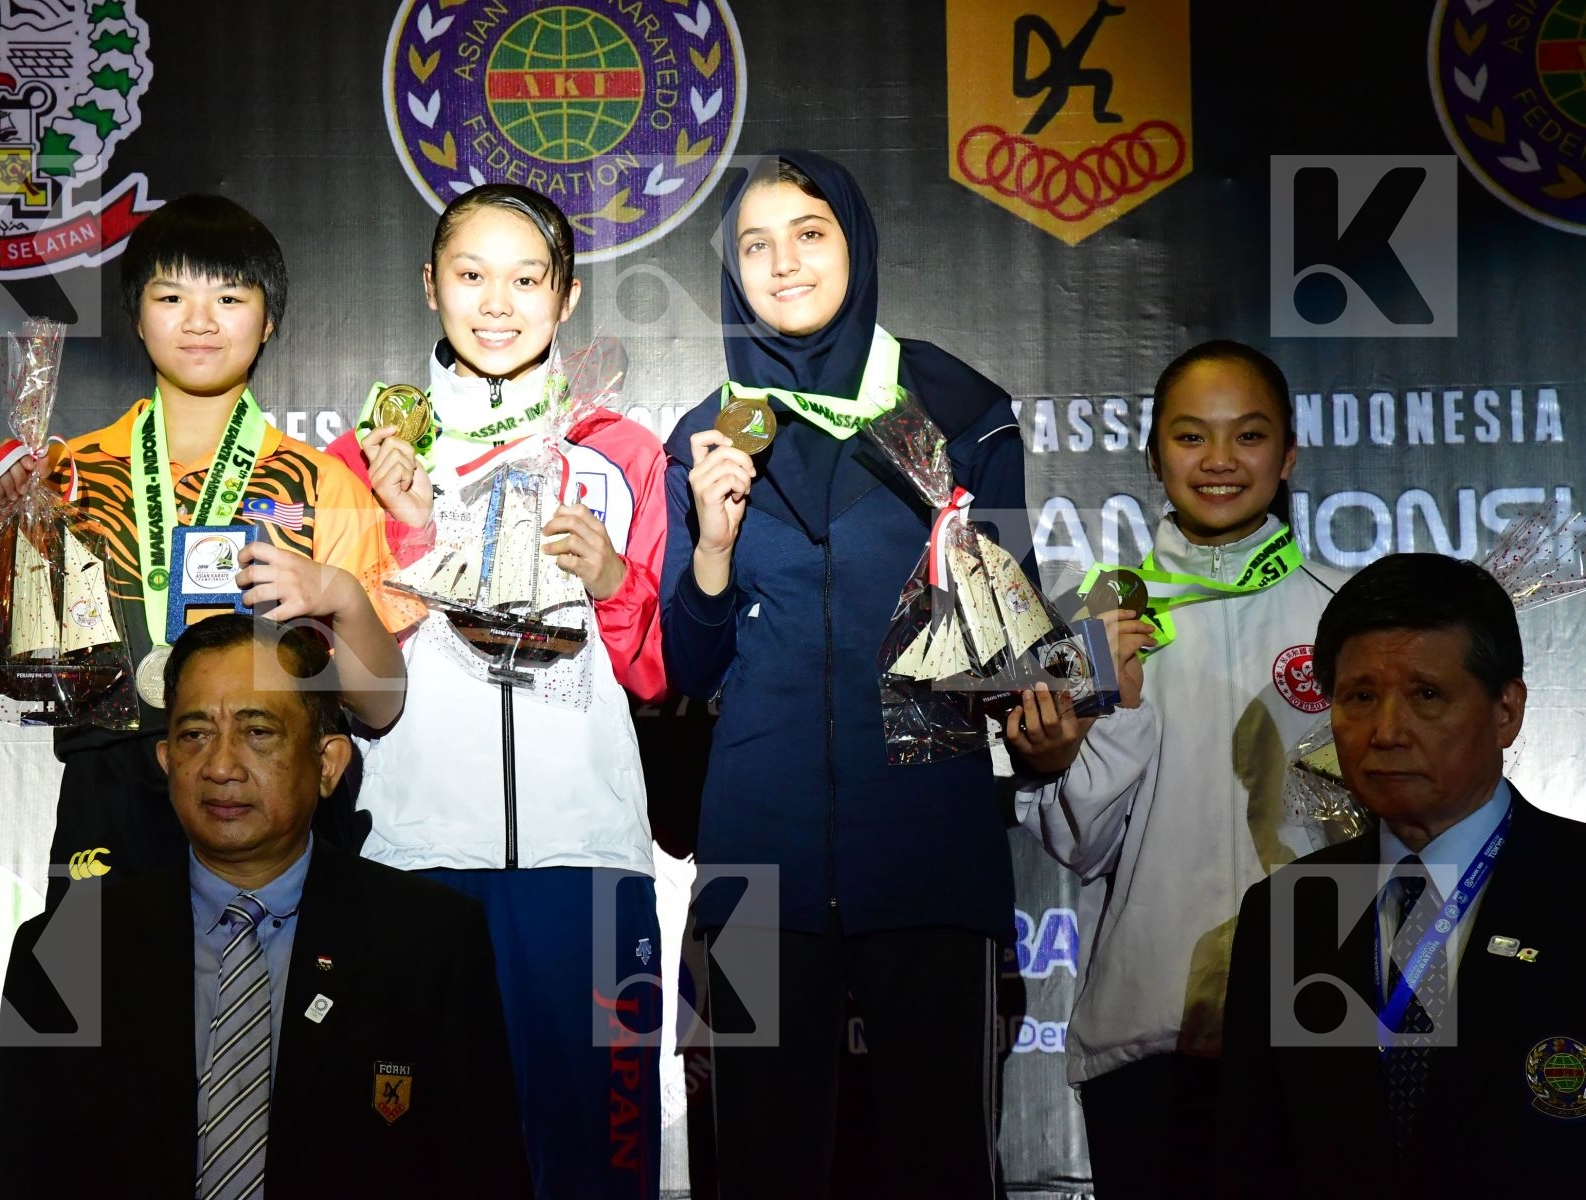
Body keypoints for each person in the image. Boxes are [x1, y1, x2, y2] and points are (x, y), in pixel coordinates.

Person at [659, 151, 1028, 1198]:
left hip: (927, 838)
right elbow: (686, 664)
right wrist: (714, 550)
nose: (782, 264)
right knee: (760, 1163)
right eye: (755, 245)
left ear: (855, 244)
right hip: (753, 860)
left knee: (941, 1158)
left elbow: (1010, 638)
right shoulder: (707, 430)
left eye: (808, 233)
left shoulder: (960, 407)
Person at [328, 184, 668, 1200]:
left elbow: (656, 670)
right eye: (471, 276)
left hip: (588, 868)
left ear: (566, 300)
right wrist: (405, 532)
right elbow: (352, 679)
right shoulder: (366, 456)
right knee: (419, 1166)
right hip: (413, 860)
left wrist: (612, 579)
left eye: (527, 279)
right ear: (430, 287)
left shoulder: (621, 453)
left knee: (599, 1169)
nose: (497, 303)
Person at [0, 614, 529, 1198]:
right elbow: (12, 1173)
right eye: (195, 734)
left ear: (328, 762)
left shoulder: (428, 942)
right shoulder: (67, 952)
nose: (221, 766)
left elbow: (482, 1172)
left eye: (257, 732)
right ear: (166, 761)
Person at [0, 195, 419, 897]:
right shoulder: (61, 478)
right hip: (106, 819)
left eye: (228, 296)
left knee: (278, 1006)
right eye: (171, 295)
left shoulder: (322, 483)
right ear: (137, 316)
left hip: (279, 812)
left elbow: (381, 707)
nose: (199, 320)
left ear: (268, 320)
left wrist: (340, 597)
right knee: (90, 1003)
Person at [1010, 341, 1346, 1197]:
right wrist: (1080, 740)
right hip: (1150, 1030)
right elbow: (1082, 846)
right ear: (1155, 455)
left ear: (1290, 452)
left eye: (1250, 435)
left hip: (1325, 1028)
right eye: (1192, 437)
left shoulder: (1351, 615)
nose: (1222, 461)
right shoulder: (1099, 619)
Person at [1219, 554, 1586, 1198]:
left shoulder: (1574, 882)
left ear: (1507, 711)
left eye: (1425, 695)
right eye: (1360, 697)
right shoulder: (1294, 910)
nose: (1386, 732)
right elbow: (1249, 1156)